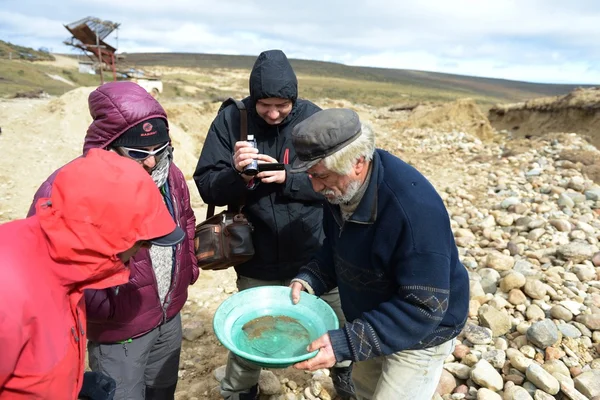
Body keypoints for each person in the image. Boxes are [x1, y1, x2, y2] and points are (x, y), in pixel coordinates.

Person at [193, 50, 355, 399]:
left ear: (294, 99)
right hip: (256, 253)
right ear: (253, 98)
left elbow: (339, 185)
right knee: (251, 329)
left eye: (281, 105)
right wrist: (237, 173)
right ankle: (239, 391)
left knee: (336, 323)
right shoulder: (231, 120)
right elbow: (206, 184)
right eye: (265, 105)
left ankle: (346, 381)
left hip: (315, 254)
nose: (273, 113)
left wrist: (289, 179)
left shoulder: (312, 119)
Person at [27, 81, 199, 400]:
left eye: (159, 150)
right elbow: (48, 273)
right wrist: (107, 308)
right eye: (137, 153)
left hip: (169, 315)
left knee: (162, 392)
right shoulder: (64, 189)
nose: (151, 162)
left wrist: (188, 271)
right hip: (120, 333)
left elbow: (185, 218)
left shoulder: (169, 173)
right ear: (109, 144)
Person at [289, 108, 470, 400]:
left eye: (321, 176)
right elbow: (338, 246)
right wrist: (312, 277)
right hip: (371, 317)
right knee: (364, 392)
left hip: (421, 333)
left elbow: (425, 306)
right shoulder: (341, 188)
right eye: (310, 175)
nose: (315, 186)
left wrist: (346, 342)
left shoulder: (413, 211)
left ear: (358, 163)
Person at [0, 149, 186, 400]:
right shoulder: (9, 291)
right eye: (142, 241)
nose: (147, 248)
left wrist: (69, 387)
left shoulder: (66, 268)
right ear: (106, 238)